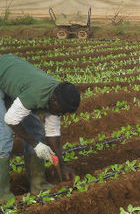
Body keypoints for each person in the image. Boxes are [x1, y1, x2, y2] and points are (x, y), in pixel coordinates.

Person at [0, 54, 80, 203]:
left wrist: (61, 165)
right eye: (62, 110)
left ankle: (39, 185)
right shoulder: (36, 94)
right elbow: (10, 119)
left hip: (14, 79)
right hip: (2, 72)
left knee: (36, 129)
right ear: (54, 101)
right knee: (3, 137)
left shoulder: (58, 98)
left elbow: (52, 133)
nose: (62, 114)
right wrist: (36, 145)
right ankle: (2, 196)